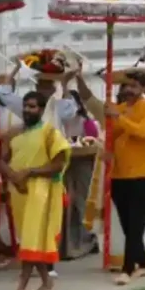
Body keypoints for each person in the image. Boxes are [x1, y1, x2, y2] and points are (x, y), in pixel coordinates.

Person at [76, 69, 145, 286]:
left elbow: (141, 132)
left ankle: (128, 268)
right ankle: (141, 261)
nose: (128, 90)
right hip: (119, 172)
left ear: (143, 89)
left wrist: (118, 117)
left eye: (133, 86)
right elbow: (112, 134)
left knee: (135, 222)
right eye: (126, 86)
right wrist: (106, 145)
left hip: (141, 173)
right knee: (126, 222)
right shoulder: (120, 109)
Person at [0, 90, 71, 290]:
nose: (28, 110)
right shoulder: (12, 134)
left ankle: (21, 286)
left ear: (42, 110)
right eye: (26, 106)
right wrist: (12, 175)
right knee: (31, 238)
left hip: (42, 192)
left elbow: (58, 165)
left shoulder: (50, 134)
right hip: (19, 192)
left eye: (33, 106)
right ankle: (46, 281)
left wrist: (29, 172)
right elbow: (1, 160)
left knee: (31, 238)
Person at [60, 91, 100, 260]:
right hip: (66, 163)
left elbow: (94, 141)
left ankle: (87, 239)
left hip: (83, 163)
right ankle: (68, 243)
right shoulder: (60, 122)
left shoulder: (86, 122)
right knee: (67, 203)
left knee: (81, 202)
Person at [0, 61, 78, 133]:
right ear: (37, 86)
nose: (44, 90)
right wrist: (17, 67)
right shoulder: (26, 105)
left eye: (48, 86)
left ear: (53, 89)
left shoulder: (56, 106)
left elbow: (71, 109)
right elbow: (4, 93)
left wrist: (64, 83)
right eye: (42, 85)